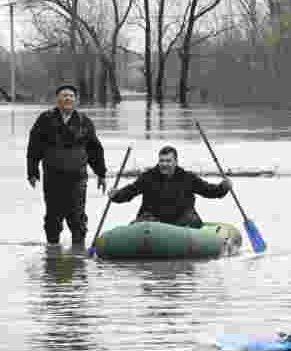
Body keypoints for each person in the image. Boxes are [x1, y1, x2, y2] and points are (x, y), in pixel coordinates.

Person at [26, 84, 107, 248]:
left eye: (71, 96)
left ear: (76, 100)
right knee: (53, 216)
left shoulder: (84, 121)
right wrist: (32, 172)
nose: (67, 98)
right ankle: (52, 253)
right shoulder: (45, 119)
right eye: (64, 95)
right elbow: (34, 147)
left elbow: (95, 149)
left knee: (77, 216)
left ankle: (78, 254)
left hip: (77, 177)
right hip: (53, 176)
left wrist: (101, 173)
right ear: (57, 99)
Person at [107, 145, 232, 228]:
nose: (164, 164)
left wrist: (223, 187)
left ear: (176, 162)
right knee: (143, 221)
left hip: (181, 222)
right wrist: (116, 195)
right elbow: (130, 191)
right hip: (153, 222)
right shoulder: (148, 177)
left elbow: (209, 191)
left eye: (168, 161)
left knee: (192, 219)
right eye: (161, 161)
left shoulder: (187, 177)